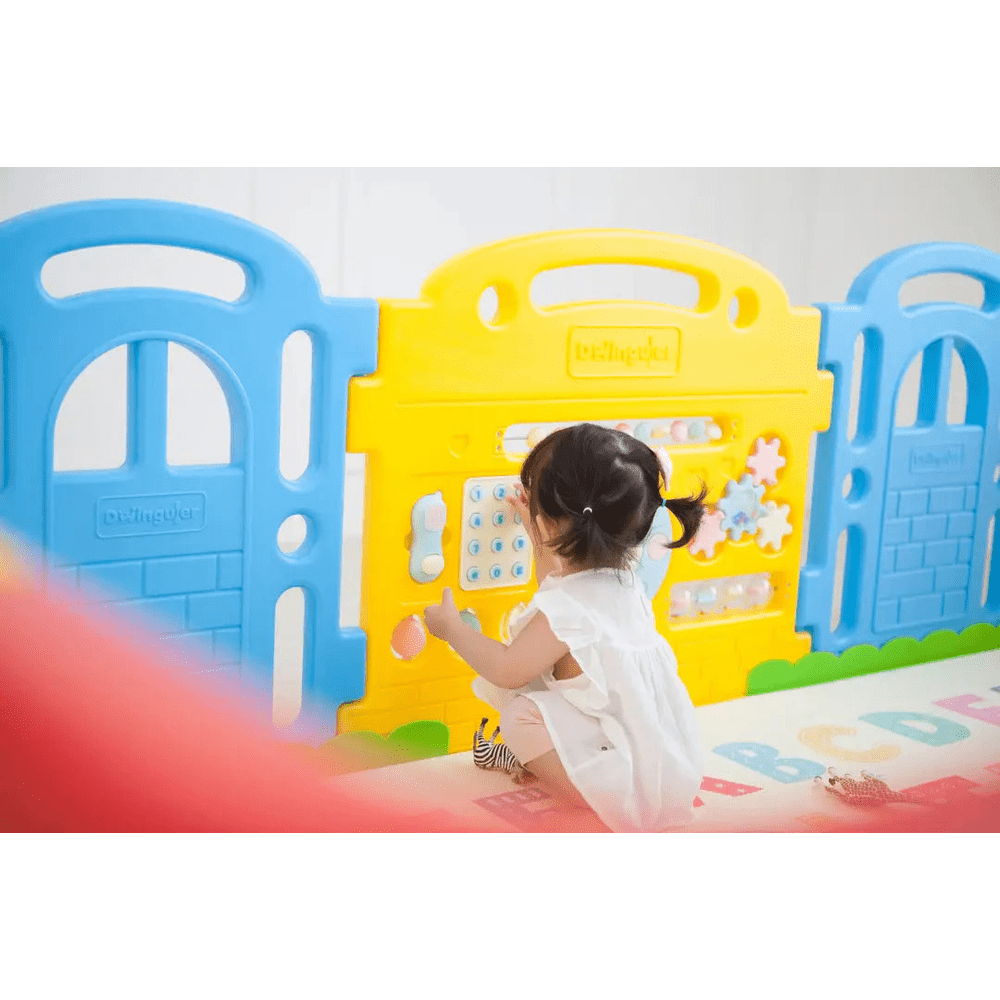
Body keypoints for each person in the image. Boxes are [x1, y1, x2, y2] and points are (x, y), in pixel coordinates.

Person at [423, 422, 708, 832]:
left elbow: (507, 668)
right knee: (549, 691)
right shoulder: (624, 582)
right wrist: (538, 534)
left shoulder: (568, 610)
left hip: (622, 784)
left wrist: (453, 629)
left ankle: (579, 794)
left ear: (552, 524)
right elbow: (558, 593)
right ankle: (588, 778)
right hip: (667, 763)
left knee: (521, 714)